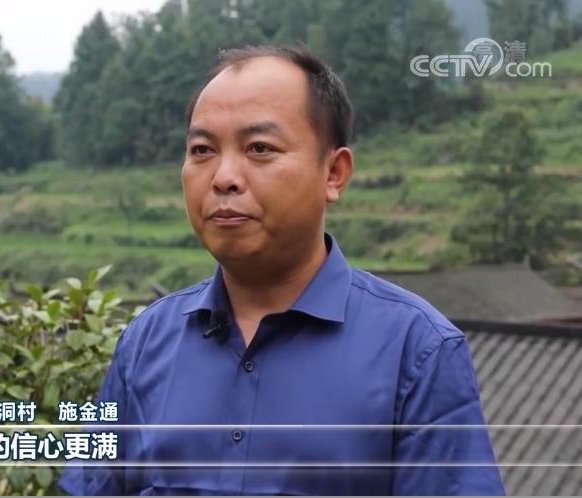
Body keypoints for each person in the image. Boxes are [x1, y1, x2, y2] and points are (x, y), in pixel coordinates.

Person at [58, 44, 506, 496]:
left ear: (333, 173)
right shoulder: (145, 342)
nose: (224, 177)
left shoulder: (417, 351)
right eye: (202, 150)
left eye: (259, 148)